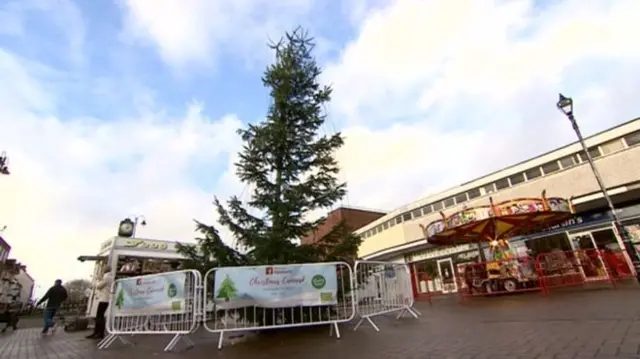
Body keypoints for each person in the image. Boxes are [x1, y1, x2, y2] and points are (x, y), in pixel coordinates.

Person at [86, 266, 113, 339]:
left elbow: (98, 286)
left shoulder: (106, 277)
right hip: (106, 299)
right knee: (100, 316)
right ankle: (99, 333)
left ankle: (98, 333)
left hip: (103, 299)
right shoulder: (110, 277)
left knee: (99, 316)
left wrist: (98, 280)